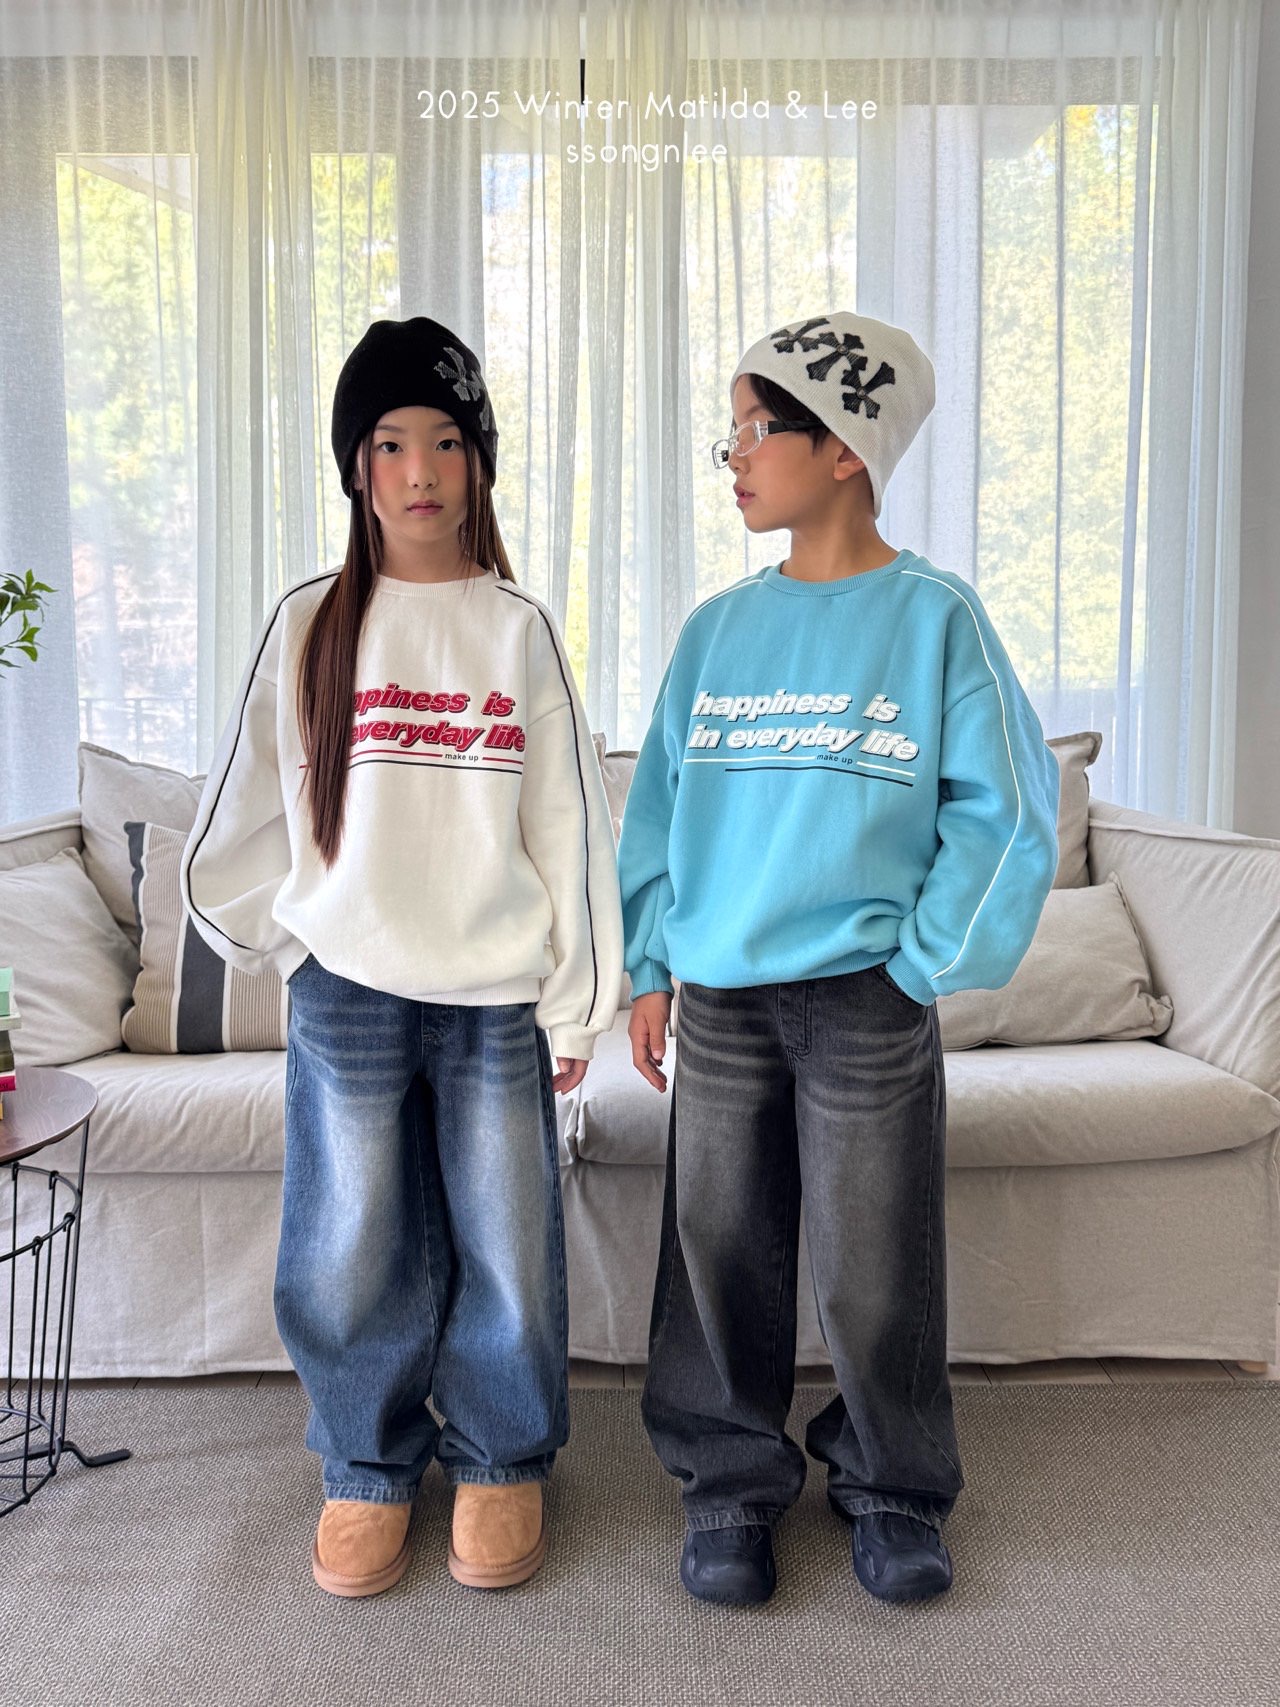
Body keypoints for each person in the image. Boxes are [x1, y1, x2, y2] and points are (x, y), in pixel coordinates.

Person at [617, 311, 1060, 1608]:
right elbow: (658, 810)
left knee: (875, 1267)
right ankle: (728, 1485)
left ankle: (893, 1486)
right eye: (732, 435)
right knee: (716, 1248)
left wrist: (924, 963)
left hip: (867, 999)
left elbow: (1007, 808)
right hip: (722, 999)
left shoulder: (935, 619)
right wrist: (650, 963)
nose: (733, 458)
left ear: (845, 447)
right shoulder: (716, 632)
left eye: (754, 431)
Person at [179, 316, 622, 1599]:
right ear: (354, 466)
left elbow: (568, 823)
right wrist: (288, 938)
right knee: (347, 1238)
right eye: (387, 443)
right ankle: (365, 1466)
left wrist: (576, 1004)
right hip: (348, 993)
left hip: (492, 994)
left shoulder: (515, 626)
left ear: (479, 463)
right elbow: (236, 818)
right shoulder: (309, 621)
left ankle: (500, 1456)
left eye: (444, 441)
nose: (418, 470)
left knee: (505, 1240)